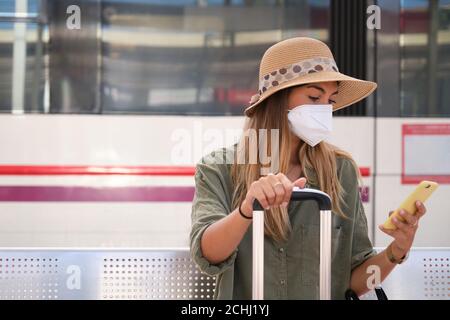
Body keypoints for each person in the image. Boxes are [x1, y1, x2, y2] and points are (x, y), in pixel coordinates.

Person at [190, 37, 427, 299]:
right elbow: (208, 254)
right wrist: (247, 209)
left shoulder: (341, 170)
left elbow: (353, 280)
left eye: (330, 101)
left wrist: (397, 249)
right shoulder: (218, 168)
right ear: (277, 100)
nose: (325, 110)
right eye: (314, 97)